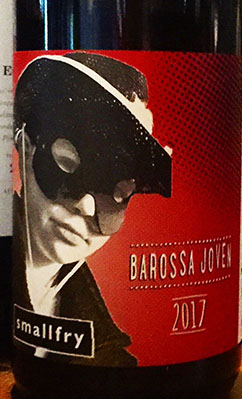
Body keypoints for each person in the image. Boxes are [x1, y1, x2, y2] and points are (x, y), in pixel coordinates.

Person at [13, 52, 172, 366]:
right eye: (68, 163)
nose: (86, 206)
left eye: (117, 191)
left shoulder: (107, 349)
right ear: (25, 148)